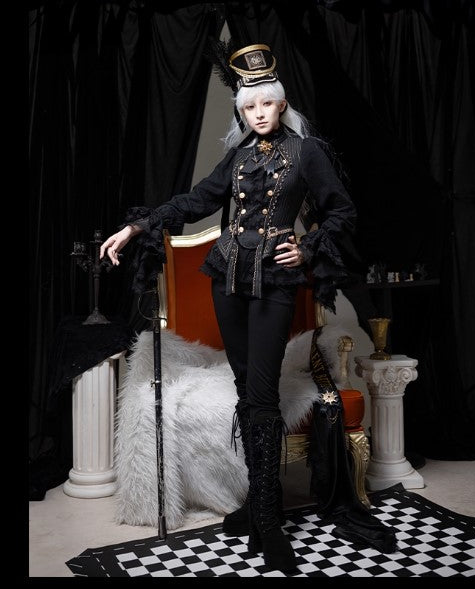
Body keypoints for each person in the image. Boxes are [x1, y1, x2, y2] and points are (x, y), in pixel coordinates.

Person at [100, 43, 379, 572]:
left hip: (275, 281)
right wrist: (137, 226)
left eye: (267, 104)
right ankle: (257, 502)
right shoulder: (239, 155)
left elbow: (341, 210)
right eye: (249, 107)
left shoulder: (306, 152)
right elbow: (197, 200)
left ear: (281, 104)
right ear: (242, 111)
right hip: (226, 280)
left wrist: (309, 246)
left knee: (263, 396)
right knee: (246, 390)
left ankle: (268, 520)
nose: (259, 114)